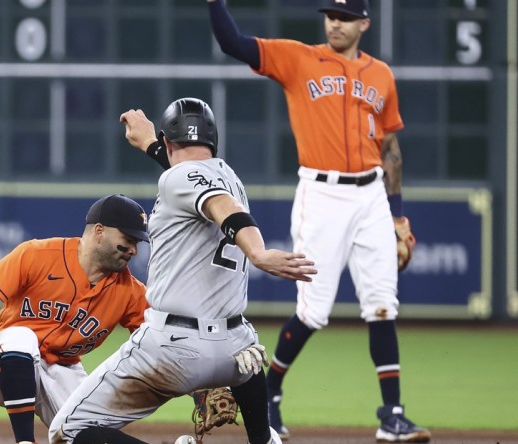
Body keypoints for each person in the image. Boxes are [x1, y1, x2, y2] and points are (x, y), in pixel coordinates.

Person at [204, 0, 430, 442]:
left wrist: (397, 214)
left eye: (345, 17)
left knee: (382, 304)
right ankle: (269, 390)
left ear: (364, 23)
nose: (335, 23)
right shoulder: (299, 58)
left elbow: (390, 151)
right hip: (321, 193)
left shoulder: (381, 75)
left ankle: (392, 415)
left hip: (371, 195)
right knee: (314, 310)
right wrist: (216, 4)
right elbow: (233, 43)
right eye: (330, 15)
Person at [47, 97, 317, 444]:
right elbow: (195, 180)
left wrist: (259, 253)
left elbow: (220, 206)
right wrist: (150, 144)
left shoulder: (178, 181)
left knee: (66, 433)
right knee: (254, 404)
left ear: (168, 141)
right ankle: (264, 439)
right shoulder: (230, 177)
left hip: (174, 348)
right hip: (236, 350)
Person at [0, 194, 151, 444]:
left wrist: (199, 390)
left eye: (137, 242)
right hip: (3, 363)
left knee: (86, 429)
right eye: (128, 240)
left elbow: (162, 342)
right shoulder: (38, 254)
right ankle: (25, 441)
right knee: (22, 337)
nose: (133, 250)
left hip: (61, 370)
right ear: (99, 231)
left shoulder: (131, 291)